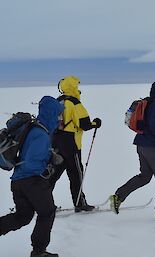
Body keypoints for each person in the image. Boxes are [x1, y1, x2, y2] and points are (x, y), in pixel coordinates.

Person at [0, 96, 64, 257]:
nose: (60, 118)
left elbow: (28, 155)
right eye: (58, 114)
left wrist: (49, 155)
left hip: (18, 182)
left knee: (23, 216)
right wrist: (48, 166)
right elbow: (31, 163)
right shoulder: (41, 134)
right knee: (47, 212)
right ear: (51, 114)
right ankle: (39, 252)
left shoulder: (34, 129)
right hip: (32, 181)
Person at [110, 81, 155, 220]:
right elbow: (154, 126)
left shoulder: (147, 102)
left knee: (145, 176)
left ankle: (118, 196)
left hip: (141, 145)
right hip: (153, 147)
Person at [49, 76, 102, 212]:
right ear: (73, 87)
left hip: (56, 141)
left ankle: (43, 203)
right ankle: (80, 204)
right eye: (77, 86)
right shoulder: (75, 103)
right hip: (71, 143)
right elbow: (84, 124)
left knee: (53, 173)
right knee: (76, 173)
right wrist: (96, 123)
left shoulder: (57, 101)